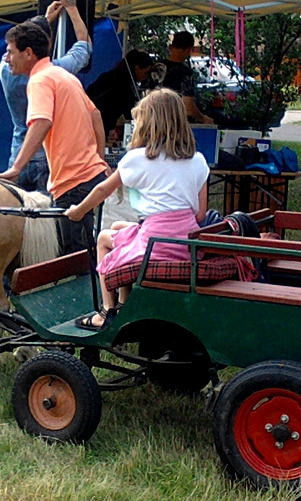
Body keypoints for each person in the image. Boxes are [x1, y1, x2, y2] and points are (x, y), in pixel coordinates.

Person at [63, 88, 209, 329]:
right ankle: (124, 303)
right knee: (120, 227)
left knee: (103, 238)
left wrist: (78, 211)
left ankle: (107, 312)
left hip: (156, 244)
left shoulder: (139, 158)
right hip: (186, 244)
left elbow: (102, 191)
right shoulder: (197, 160)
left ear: (147, 123)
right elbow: (200, 214)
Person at [0, 20, 107, 255]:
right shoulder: (63, 75)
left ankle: (85, 293)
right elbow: (95, 115)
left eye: (10, 52)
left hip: (72, 182)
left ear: (28, 53)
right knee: (80, 252)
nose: (6, 58)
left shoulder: (40, 80)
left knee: (73, 258)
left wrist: (16, 168)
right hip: (88, 177)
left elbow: (42, 122)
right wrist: (99, 158)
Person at [0, 0, 92, 193]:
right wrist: (73, 10)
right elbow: (84, 45)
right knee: (46, 220)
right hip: (47, 158)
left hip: (19, 152)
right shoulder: (57, 72)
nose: (8, 56)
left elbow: (22, 41)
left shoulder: (6, 69)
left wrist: (47, 19)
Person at [87, 49, 153, 144]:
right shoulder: (123, 86)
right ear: (137, 68)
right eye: (145, 72)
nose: (145, 77)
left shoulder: (108, 76)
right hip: (101, 123)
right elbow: (130, 113)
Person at [160, 31, 213, 124]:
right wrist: (204, 119)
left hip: (152, 121)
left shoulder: (157, 68)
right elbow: (188, 107)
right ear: (189, 49)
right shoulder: (185, 73)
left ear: (171, 47)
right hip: (173, 124)